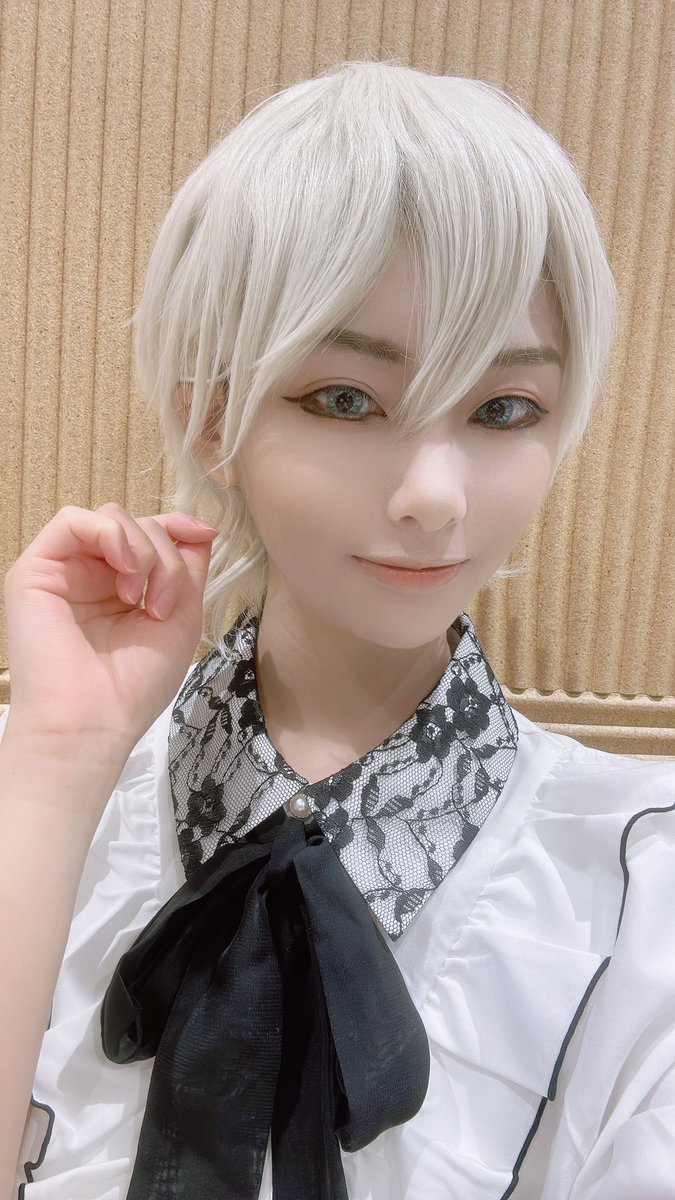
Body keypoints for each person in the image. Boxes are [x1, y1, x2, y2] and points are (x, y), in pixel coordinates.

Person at [1, 60, 673, 1200]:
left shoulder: (637, 893)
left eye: (504, 409)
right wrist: (56, 770)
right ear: (212, 420)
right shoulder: (45, 806)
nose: (434, 497)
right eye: (347, 400)